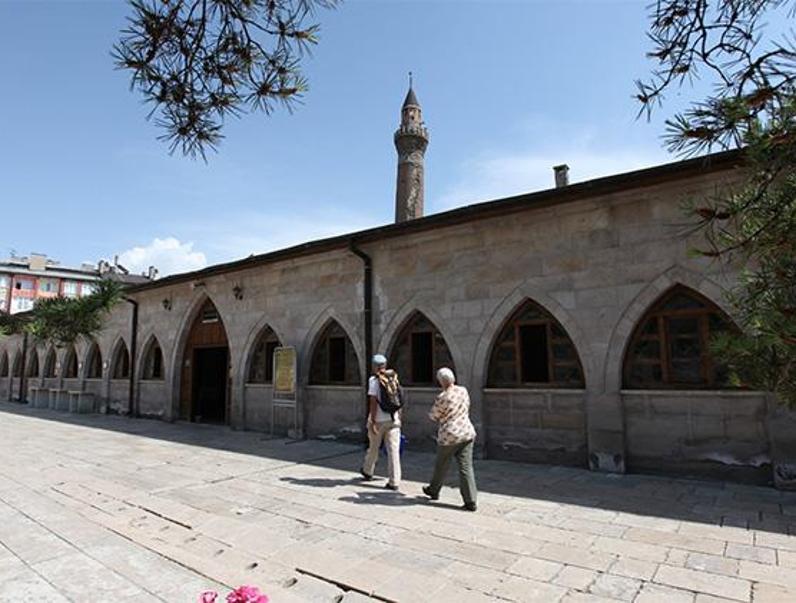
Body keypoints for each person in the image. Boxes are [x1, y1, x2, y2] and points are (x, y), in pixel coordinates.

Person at [422, 367, 478, 511]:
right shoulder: (463, 390)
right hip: (466, 432)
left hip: (449, 436)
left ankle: (433, 490)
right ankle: (470, 500)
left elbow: (434, 416)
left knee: (441, 465)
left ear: (441, 381)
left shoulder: (443, 397)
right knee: (466, 467)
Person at [360, 354, 402, 491]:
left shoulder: (374, 380)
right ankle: (394, 481)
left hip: (379, 420)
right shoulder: (393, 377)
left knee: (374, 447)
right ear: (385, 365)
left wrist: (372, 420)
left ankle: (368, 471)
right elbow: (399, 399)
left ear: (374, 366)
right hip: (394, 419)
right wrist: (399, 417)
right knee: (393, 450)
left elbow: (372, 401)